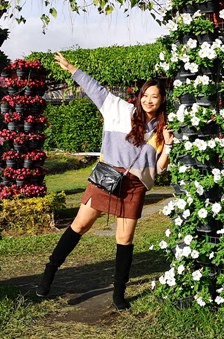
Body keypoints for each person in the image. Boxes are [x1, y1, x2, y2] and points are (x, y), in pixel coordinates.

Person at [36, 52, 173, 310]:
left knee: (125, 239)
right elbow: (94, 88)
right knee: (79, 226)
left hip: (134, 186)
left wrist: (167, 146)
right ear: (139, 96)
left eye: (154, 96)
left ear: (162, 99)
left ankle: (118, 293)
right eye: (145, 95)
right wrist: (72, 69)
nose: (148, 100)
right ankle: (49, 273)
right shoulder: (119, 110)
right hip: (107, 178)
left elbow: (159, 168)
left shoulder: (162, 128)